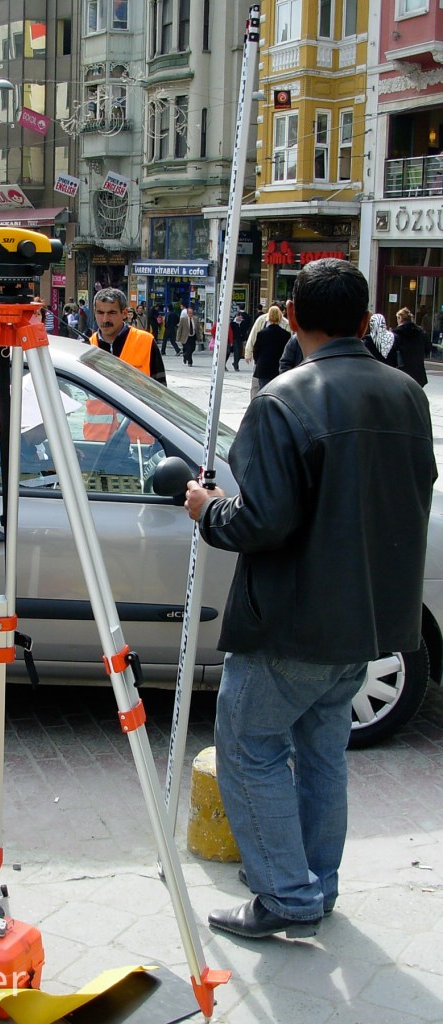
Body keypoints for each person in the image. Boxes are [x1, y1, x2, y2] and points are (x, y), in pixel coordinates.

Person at [186, 258, 436, 940]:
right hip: (366, 616)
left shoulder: (283, 399)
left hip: (294, 620)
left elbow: (261, 521)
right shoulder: (407, 392)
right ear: (364, 321)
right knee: (322, 752)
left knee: (250, 748)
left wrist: (208, 509)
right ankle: (313, 885)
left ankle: (287, 895)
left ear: (292, 318)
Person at [89, 287, 166, 383]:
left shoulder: (146, 341)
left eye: (112, 313)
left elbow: (160, 387)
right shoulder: (87, 346)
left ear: (124, 313)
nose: (105, 319)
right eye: (100, 313)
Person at [251, 304, 290, 394]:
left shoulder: (261, 333)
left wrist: (257, 361)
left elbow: (256, 351)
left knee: (263, 391)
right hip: (278, 367)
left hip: (263, 367)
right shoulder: (286, 335)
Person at [393, 307, 428, 387]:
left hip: (402, 372)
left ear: (400, 318)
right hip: (418, 372)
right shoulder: (421, 332)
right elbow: (428, 348)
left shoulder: (397, 333)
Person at [228, 307, 251, 371]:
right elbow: (230, 332)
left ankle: (235, 363)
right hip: (234, 339)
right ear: (236, 317)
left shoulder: (242, 323)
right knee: (236, 352)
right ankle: (236, 366)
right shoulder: (233, 324)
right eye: (239, 317)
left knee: (240, 353)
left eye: (241, 317)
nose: (241, 318)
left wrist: (245, 338)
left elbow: (245, 331)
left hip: (240, 339)